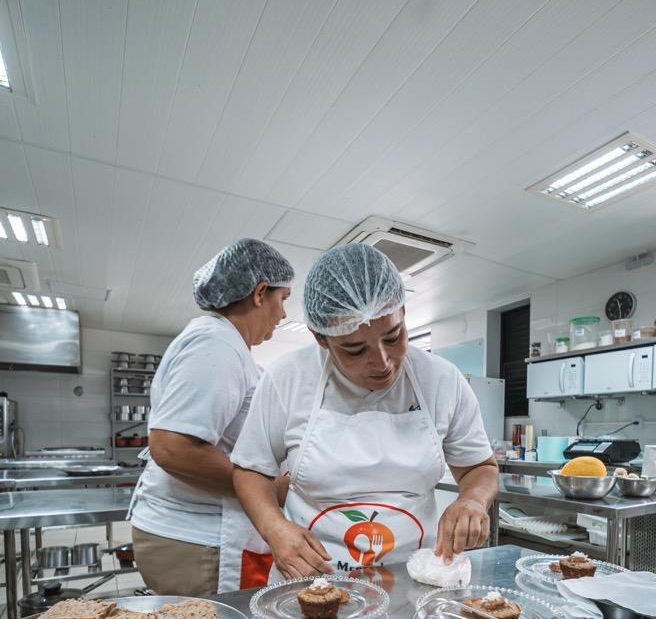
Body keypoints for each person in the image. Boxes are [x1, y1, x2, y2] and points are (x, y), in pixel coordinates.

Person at [230, 244, 497, 581]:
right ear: (321, 339)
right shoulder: (288, 378)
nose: (382, 362)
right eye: (355, 350)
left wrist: (473, 500)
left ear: (403, 313)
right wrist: (274, 527)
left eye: (394, 337)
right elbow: (251, 470)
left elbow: (479, 467)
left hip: (413, 578)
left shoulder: (442, 379)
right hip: (312, 581)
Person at [128, 238, 293, 595]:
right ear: (260, 293)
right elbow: (173, 448)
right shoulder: (216, 345)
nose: (283, 314)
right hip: (195, 539)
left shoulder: (227, 346)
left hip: (200, 536)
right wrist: (269, 489)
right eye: (283, 299)